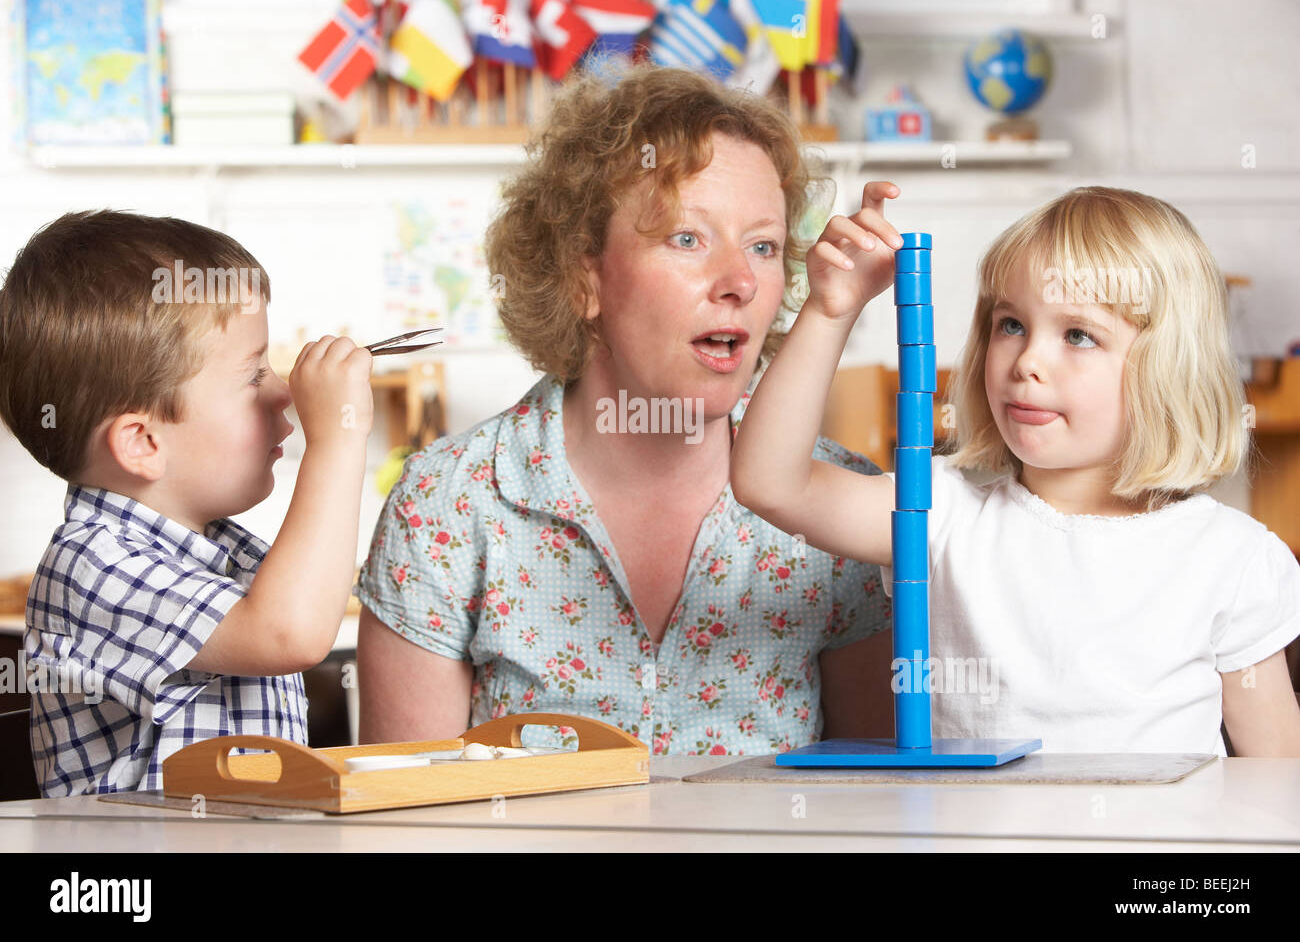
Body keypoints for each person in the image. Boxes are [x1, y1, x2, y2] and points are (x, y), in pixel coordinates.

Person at [356, 64, 894, 754]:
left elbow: (874, 801)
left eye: (763, 246)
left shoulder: (840, 511)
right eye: (687, 238)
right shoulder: (447, 506)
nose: (738, 282)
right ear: (585, 279)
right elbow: (410, 824)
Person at [732, 185, 1300, 755]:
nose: (1028, 361)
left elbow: (1277, 784)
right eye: (1011, 325)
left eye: (1078, 334)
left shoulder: (1232, 557)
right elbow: (770, 483)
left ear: (1169, 368)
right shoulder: (938, 514)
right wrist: (832, 310)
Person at [0, 211, 374, 794]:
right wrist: (339, 439)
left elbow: (305, 600)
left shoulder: (215, 546)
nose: (283, 393)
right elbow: (291, 633)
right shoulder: (91, 564)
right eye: (254, 376)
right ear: (143, 443)